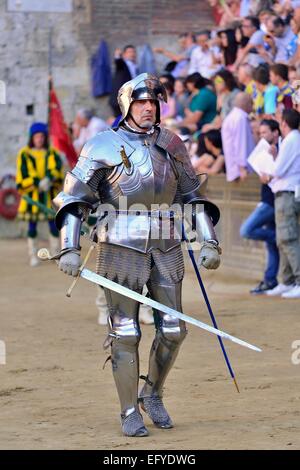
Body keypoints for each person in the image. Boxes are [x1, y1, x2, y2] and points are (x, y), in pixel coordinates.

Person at [52, 73, 221, 437]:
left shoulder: (172, 143)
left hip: (166, 242)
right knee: (126, 332)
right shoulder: (102, 145)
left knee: (174, 330)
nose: (149, 108)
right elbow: (73, 196)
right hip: (120, 243)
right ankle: (129, 410)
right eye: (142, 102)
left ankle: (152, 394)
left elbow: (192, 196)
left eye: (153, 103)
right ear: (127, 105)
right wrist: (69, 247)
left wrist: (209, 240)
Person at [262, 109, 300, 298]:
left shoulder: (292, 139)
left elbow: (279, 169)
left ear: (284, 123)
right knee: (283, 238)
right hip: (286, 192)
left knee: (288, 238)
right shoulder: (292, 139)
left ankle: (297, 281)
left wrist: (269, 167)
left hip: (287, 193)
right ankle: (287, 280)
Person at [240, 119, 280, 294]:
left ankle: (281, 238)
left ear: (276, 132)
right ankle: (270, 280)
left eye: (265, 132)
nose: (262, 136)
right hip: (268, 198)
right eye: (260, 133)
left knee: (246, 230)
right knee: (271, 246)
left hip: (273, 200)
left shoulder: (282, 147)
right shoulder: (266, 150)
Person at [16, 122, 64, 267]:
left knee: (53, 225)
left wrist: (49, 179)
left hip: (49, 196)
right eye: (37, 136)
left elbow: (57, 168)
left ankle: (56, 253)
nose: (40, 139)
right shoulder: (24, 153)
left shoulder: (52, 152)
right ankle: (33, 254)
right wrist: (37, 183)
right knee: (32, 226)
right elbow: (23, 172)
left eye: (42, 136)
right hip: (32, 197)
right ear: (32, 138)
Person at [221, 92, 255, 182]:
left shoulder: (233, 116)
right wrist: (242, 168)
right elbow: (240, 143)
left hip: (236, 168)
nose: (253, 107)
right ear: (247, 104)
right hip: (241, 170)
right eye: (252, 103)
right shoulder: (240, 118)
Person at [109, 45, 138, 117]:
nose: (132, 54)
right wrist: (117, 55)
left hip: (129, 99)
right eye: (129, 52)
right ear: (124, 55)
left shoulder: (136, 67)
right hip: (119, 100)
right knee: (119, 121)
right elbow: (118, 62)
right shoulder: (123, 64)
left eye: (133, 52)